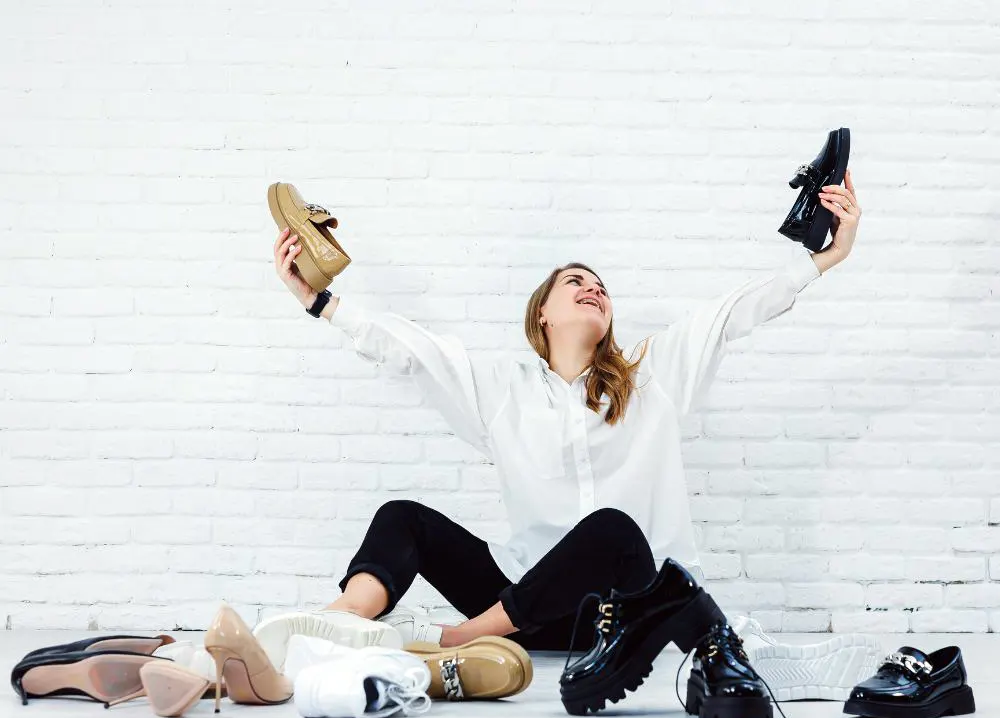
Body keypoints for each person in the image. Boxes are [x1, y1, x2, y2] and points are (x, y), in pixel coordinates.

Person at [259, 173, 862, 668]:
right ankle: (335, 626)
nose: (593, 288)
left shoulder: (654, 377)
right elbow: (414, 353)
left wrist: (820, 259)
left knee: (609, 530)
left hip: (623, 614)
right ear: (541, 314)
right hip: (529, 610)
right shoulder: (504, 391)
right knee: (403, 520)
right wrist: (319, 301)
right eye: (575, 282)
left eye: (600, 286)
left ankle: (451, 642)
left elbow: (731, 314)